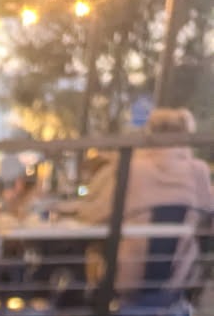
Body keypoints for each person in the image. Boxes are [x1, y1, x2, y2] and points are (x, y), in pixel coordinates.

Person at [82, 107, 213, 293]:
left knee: (89, 249)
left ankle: (88, 307)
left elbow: (97, 214)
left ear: (148, 134)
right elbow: (207, 214)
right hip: (177, 278)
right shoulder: (199, 171)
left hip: (123, 275)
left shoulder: (128, 166)